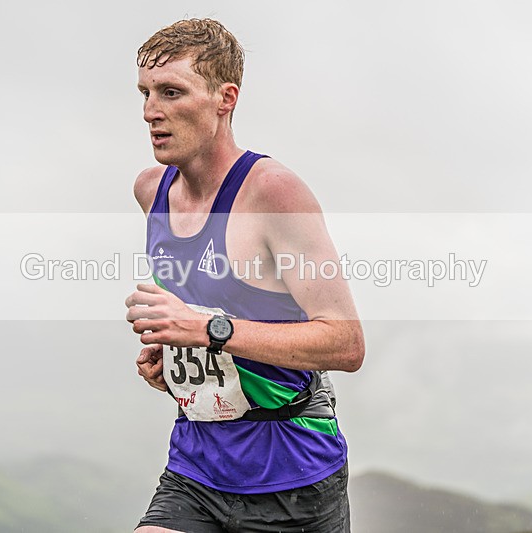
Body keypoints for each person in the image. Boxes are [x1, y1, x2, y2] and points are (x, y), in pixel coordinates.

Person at [125, 18, 365, 533]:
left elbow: (345, 344)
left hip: (292, 478)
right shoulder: (152, 192)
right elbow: (212, 324)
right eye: (145, 93)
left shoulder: (274, 194)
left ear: (224, 98)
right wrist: (172, 361)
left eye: (171, 92)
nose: (150, 112)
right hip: (197, 468)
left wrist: (205, 330)